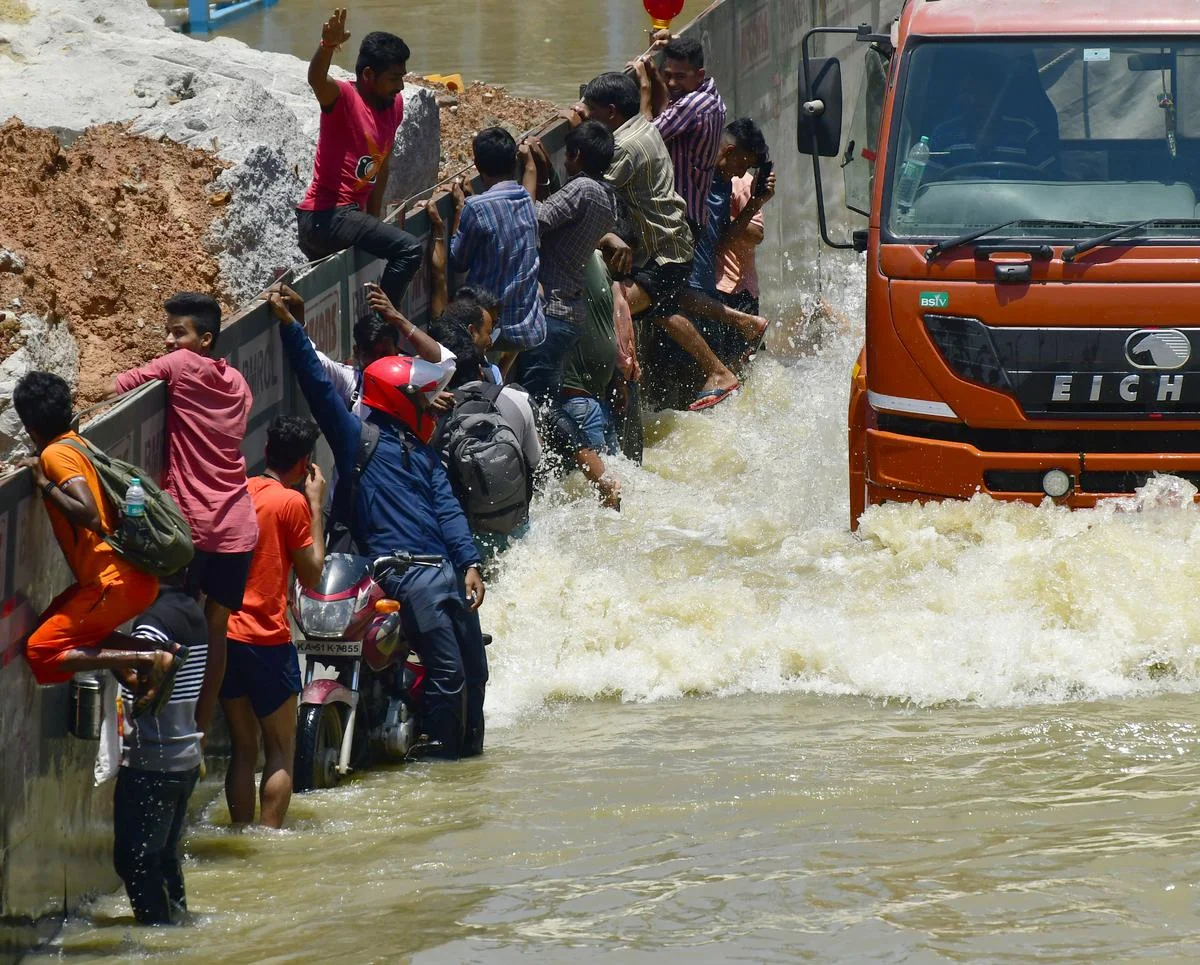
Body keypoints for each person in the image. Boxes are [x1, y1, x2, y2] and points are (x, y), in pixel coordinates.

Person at [271, 290, 489, 760]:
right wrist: (290, 325)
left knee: (476, 670)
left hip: (443, 573)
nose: (431, 405)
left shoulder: (422, 451)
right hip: (402, 574)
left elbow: (449, 509)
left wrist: (470, 562)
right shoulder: (358, 437)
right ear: (398, 399)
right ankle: (445, 765)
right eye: (421, 399)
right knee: (450, 674)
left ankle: (469, 760)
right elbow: (317, 386)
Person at [110, 292, 257, 736]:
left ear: (206, 339)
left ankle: (163, 722)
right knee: (216, 631)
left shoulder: (178, 367)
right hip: (238, 527)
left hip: (193, 529)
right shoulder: (239, 384)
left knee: (174, 621)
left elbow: (119, 387)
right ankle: (200, 723)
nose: (170, 341)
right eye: (169, 332)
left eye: (180, 333)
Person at [14, 372, 184, 713]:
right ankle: (143, 665)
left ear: (29, 425)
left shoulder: (55, 457)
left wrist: (42, 482)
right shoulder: (78, 442)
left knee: (40, 648)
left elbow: (89, 514)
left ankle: (152, 658)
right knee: (63, 630)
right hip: (127, 578)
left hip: (113, 583)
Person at [573, 71, 741, 410]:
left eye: (590, 110)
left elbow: (584, 190)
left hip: (663, 253)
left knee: (606, 311)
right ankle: (720, 368)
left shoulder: (623, 147)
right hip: (672, 243)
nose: (586, 115)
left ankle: (621, 391)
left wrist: (578, 136)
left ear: (609, 111)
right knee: (662, 310)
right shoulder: (644, 125)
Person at [222, 416, 326, 829]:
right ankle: (268, 842)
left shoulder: (238, 490)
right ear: (305, 466)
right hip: (266, 638)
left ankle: (240, 834)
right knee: (281, 747)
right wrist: (315, 504)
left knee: (243, 749)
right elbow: (313, 573)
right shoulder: (292, 503)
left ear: (265, 452)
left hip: (225, 636)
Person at [295, 9, 423, 308]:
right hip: (324, 217)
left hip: (351, 216)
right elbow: (316, 79)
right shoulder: (344, 99)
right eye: (394, 79)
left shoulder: (394, 106)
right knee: (409, 250)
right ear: (368, 76)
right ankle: (385, 324)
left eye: (402, 77)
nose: (401, 86)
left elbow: (382, 168)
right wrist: (326, 46)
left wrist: (374, 220)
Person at [113, 577, 208, 925]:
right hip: (183, 759)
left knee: (134, 862)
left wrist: (103, 650)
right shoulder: (190, 610)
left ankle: (160, 941)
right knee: (163, 858)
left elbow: (148, 679)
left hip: (153, 762)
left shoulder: (152, 622)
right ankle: (178, 929)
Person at [513, 122, 618, 424]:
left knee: (537, 403)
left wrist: (530, 170)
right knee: (546, 399)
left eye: (568, 156)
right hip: (568, 312)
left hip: (552, 311)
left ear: (577, 156)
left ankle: (582, 459)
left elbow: (536, 218)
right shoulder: (606, 196)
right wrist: (545, 176)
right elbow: (562, 221)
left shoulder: (583, 188)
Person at [431, 315, 544, 556]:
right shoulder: (517, 400)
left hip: (464, 539)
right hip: (515, 532)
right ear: (480, 368)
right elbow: (533, 461)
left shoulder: (435, 416)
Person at [450, 127, 546, 352]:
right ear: (513, 163)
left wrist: (458, 211)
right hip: (531, 328)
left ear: (478, 166)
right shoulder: (525, 200)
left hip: (494, 331)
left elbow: (457, 261)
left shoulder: (475, 208)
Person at [637, 34, 728, 233]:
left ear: (699, 74)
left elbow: (645, 136)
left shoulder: (694, 104)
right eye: (667, 75)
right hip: (688, 217)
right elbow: (667, 114)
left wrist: (645, 86)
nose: (671, 83)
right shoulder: (710, 96)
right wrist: (656, 76)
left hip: (681, 219)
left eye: (680, 77)